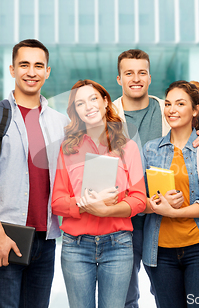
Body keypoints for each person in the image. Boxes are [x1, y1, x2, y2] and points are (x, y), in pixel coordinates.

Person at [0, 39, 69, 308]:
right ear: (12, 69)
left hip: (46, 239)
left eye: (38, 66)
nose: (31, 72)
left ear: (48, 71)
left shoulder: (61, 123)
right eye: (24, 65)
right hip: (5, 235)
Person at [113, 49, 199, 308]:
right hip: (122, 216)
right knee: (125, 296)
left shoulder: (166, 108)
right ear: (119, 79)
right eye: (129, 73)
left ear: (149, 77)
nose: (136, 78)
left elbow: (188, 136)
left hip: (160, 224)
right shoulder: (107, 116)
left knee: (164, 293)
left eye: (142, 72)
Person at [51, 80, 147, 308]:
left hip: (118, 246)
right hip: (76, 247)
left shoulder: (128, 147)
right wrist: (84, 205)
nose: (89, 106)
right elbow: (57, 203)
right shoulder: (67, 149)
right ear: (75, 111)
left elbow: (139, 199)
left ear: (105, 102)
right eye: (80, 103)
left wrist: (109, 209)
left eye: (93, 98)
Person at [142, 81, 199, 308]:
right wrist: (158, 203)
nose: (172, 109)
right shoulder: (150, 149)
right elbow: (138, 197)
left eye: (180, 103)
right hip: (160, 254)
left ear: (195, 110)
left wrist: (175, 212)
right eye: (168, 104)